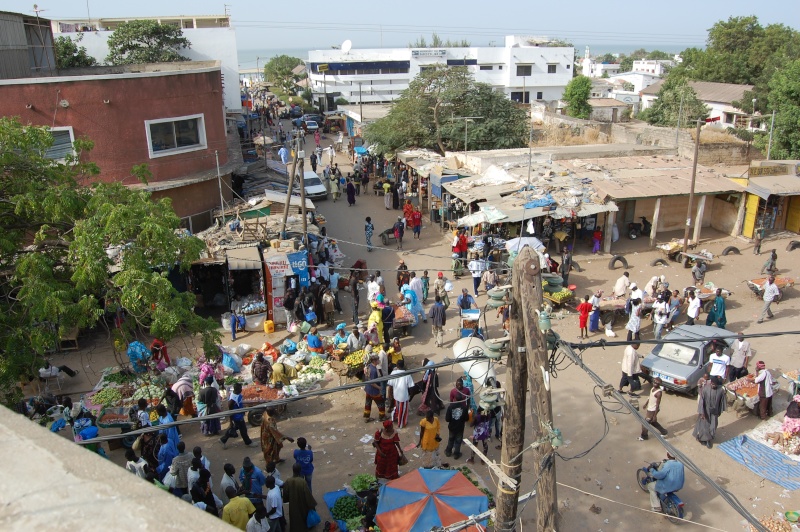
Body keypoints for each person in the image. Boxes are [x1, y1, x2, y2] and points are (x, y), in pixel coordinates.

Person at [693, 376, 726, 448]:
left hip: (714, 411)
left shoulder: (720, 391)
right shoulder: (705, 389)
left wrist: (719, 411)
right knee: (704, 426)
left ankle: (709, 438)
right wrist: (702, 412)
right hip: (705, 410)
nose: (713, 385)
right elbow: (701, 401)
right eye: (712, 384)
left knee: (713, 426)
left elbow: (721, 402)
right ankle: (705, 439)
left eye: (715, 385)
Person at [283, 463, 318, 532]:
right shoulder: (302, 482)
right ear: (300, 470)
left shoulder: (288, 481)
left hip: (293, 503)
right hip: (302, 503)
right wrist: (312, 505)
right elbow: (308, 495)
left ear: (293, 470)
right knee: (303, 515)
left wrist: (288, 499)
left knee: (294, 517)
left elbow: (285, 494)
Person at [220, 383, 255, 449]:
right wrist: (231, 421)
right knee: (243, 430)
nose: (241, 389)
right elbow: (230, 409)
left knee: (234, 428)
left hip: (239, 415)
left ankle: (223, 439)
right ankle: (248, 442)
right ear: (236, 389)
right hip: (237, 417)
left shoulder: (237, 394)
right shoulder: (233, 399)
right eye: (240, 388)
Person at [387, 359, 415, 428]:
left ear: (397, 366)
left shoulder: (393, 373)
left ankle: (395, 419)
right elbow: (411, 387)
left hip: (396, 395)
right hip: (403, 396)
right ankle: (401, 424)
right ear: (404, 365)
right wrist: (410, 395)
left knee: (397, 408)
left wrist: (390, 395)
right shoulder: (407, 374)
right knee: (402, 411)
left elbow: (390, 385)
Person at [444, 396, 469, 460]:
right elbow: (467, 418)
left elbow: (447, 419)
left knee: (451, 439)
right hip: (460, 428)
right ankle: (456, 454)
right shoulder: (464, 408)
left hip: (452, 427)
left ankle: (448, 452)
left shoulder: (450, 407)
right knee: (458, 441)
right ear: (462, 400)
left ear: (455, 399)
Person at [364, 354, 386, 422]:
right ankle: (382, 417)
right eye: (377, 360)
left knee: (368, 403)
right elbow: (372, 383)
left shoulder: (369, 366)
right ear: (374, 361)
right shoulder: (373, 370)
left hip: (368, 389)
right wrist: (379, 388)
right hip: (374, 391)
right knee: (381, 403)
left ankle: (367, 417)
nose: (379, 361)